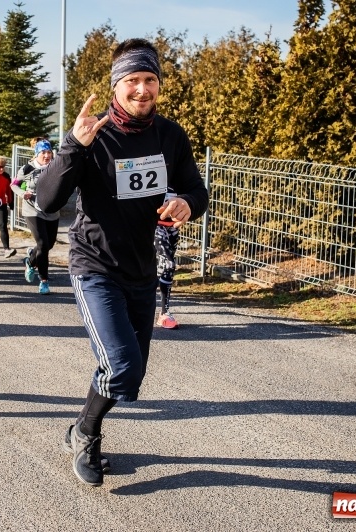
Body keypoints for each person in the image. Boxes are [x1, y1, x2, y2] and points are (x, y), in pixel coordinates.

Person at [35, 38, 208, 486]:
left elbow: (196, 189)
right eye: (133, 80)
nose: (142, 89)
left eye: (150, 79)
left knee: (129, 377)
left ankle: (80, 426)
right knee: (122, 366)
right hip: (94, 265)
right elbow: (46, 201)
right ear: (116, 85)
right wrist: (73, 145)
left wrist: (188, 203)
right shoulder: (93, 135)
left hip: (140, 269)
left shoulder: (170, 135)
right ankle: (88, 435)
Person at [11, 138, 58, 294]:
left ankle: (31, 260)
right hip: (32, 210)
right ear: (37, 153)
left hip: (52, 210)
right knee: (43, 244)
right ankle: (44, 281)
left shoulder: (55, 167)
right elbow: (14, 184)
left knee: (49, 244)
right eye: (43, 152)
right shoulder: (27, 168)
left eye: (49, 152)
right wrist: (22, 193)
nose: (47, 155)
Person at [155, 188, 181, 329]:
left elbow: (195, 192)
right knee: (168, 264)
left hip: (172, 226)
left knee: (164, 269)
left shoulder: (179, 175)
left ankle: (163, 312)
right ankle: (164, 312)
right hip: (152, 225)